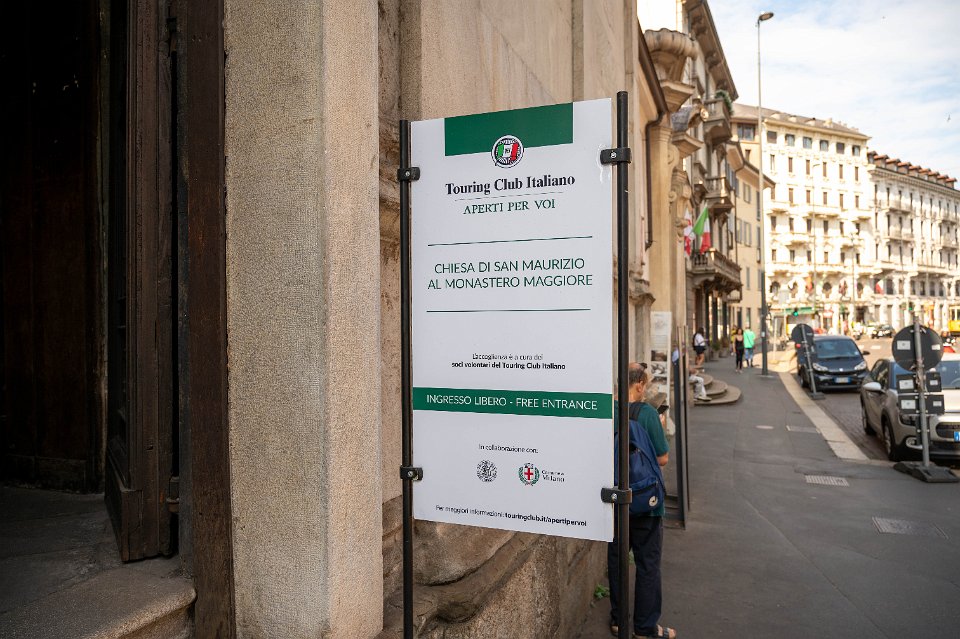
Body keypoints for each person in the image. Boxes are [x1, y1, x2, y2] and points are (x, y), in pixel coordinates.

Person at [608, 365, 678, 639]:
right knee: (647, 564)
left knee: (617, 562)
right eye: (645, 385)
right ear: (638, 385)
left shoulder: (606, 410)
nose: (645, 389)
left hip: (614, 499)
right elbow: (662, 458)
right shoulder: (647, 413)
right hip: (646, 502)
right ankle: (645, 628)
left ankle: (618, 621)